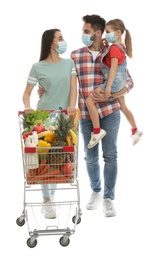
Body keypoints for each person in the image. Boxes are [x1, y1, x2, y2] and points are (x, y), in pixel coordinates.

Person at [70, 14, 134, 217]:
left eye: (86, 31)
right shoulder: (76, 56)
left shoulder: (112, 52)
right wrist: (44, 90)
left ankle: (108, 198)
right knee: (90, 157)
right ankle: (96, 191)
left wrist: (112, 94)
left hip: (110, 112)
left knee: (111, 155)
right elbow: (69, 85)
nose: (83, 34)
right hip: (87, 115)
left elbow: (129, 82)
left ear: (97, 33)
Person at [22, 29, 77, 219]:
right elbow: (27, 93)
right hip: (44, 116)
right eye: (60, 38)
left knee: (59, 159)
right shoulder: (37, 67)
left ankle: (50, 197)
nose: (63, 41)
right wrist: (28, 107)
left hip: (64, 117)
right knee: (46, 158)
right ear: (51, 43)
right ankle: (47, 200)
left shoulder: (70, 63)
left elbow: (73, 88)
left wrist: (72, 106)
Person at [85, 18, 143, 148]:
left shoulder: (114, 49)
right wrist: (107, 46)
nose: (106, 35)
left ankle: (97, 131)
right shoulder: (121, 47)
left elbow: (113, 68)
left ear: (117, 32)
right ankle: (135, 130)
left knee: (89, 101)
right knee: (123, 107)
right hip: (121, 82)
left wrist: (109, 87)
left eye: (108, 32)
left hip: (115, 82)